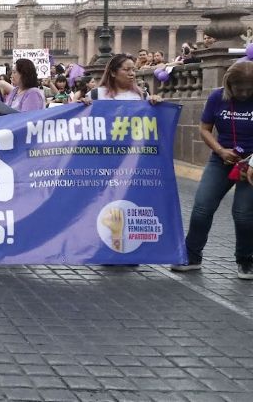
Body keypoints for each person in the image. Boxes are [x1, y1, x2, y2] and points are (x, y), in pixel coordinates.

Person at [171, 61, 253, 278]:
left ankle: (246, 261)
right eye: (239, 89)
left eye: (249, 88)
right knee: (202, 207)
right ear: (229, 85)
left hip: (252, 163)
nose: (244, 93)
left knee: (243, 214)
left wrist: (251, 163)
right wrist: (220, 150)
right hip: (221, 159)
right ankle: (192, 256)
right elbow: (205, 129)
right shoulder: (217, 97)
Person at [88, 54, 162, 103]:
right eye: (126, 70)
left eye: (133, 70)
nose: (132, 73)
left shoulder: (142, 95)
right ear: (113, 73)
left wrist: (155, 102)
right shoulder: (96, 94)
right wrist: (82, 102)